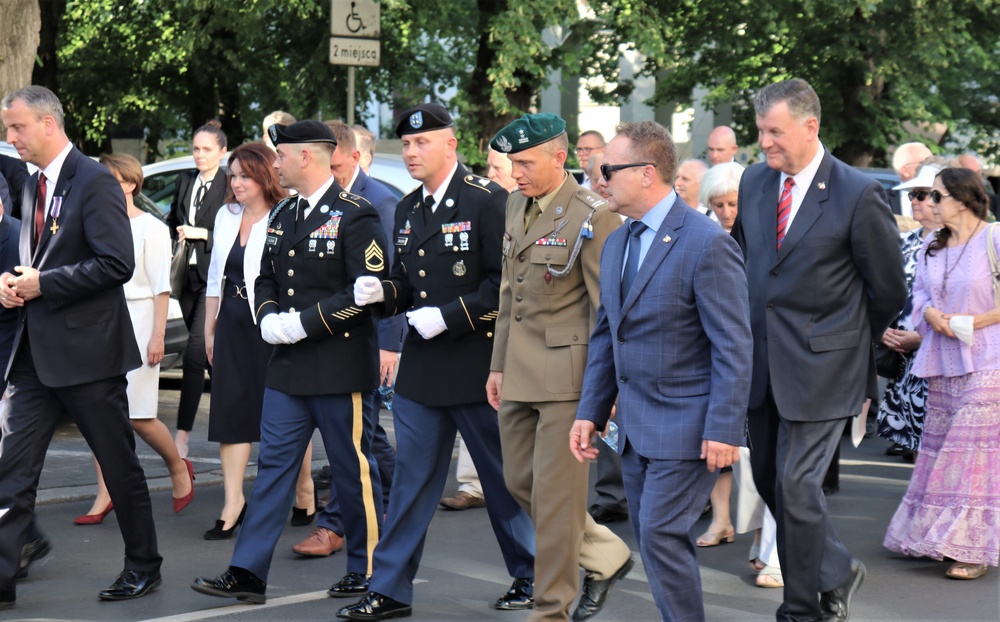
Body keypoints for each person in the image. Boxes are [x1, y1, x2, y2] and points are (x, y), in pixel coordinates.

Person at [340, 103, 535, 621]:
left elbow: (504, 286)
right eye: (404, 144)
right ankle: (390, 589)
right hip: (423, 370)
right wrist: (382, 291)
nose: (410, 152)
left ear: (451, 145)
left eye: (421, 143)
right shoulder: (408, 209)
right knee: (410, 484)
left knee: (502, 480)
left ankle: (532, 573)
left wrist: (449, 316)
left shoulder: (488, 201)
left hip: (477, 366)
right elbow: (407, 283)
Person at [731, 78, 907, 622]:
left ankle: (801, 609)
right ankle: (836, 571)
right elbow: (742, 261)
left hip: (826, 370)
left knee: (796, 486)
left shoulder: (857, 192)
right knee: (768, 481)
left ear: (811, 127)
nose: (764, 143)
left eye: (774, 131)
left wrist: (848, 341)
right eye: (760, 131)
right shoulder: (758, 181)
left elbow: (889, 290)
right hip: (762, 366)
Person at [191, 120, 387, 604]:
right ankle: (247, 570)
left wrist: (303, 322)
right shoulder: (283, 216)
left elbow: (364, 293)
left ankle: (368, 571)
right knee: (275, 465)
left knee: (350, 469)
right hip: (287, 366)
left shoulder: (354, 214)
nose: (274, 163)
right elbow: (264, 276)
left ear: (307, 157)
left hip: (338, 364)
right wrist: (269, 315)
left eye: (281, 155)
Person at [569, 120, 751, 621]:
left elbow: (733, 345)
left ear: (647, 173)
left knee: (660, 535)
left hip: (688, 428)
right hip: (635, 430)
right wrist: (590, 410)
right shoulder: (617, 242)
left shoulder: (705, 243)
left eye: (609, 168)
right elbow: (609, 334)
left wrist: (723, 428)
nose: (599, 178)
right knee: (658, 539)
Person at [0, 85, 162, 609]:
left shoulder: (93, 179)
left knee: (118, 464)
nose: (11, 137)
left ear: (49, 124)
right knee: (12, 469)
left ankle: (144, 565)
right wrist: (11, 282)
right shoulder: (27, 183)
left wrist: (44, 284)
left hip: (88, 355)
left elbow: (117, 263)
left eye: (18, 127)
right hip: (32, 354)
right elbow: (32, 255)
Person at [485, 112, 630, 622]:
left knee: (553, 500)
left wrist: (603, 393)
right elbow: (509, 292)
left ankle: (550, 610)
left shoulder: (593, 215)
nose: (515, 172)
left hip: (569, 380)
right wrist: (497, 365)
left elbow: (606, 312)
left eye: (525, 162)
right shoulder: (513, 204)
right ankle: (606, 554)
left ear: (560, 158)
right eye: (512, 163)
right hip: (519, 372)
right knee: (520, 484)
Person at [884, 167, 1000, 580]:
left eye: (935, 196)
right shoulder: (933, 243)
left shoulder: (995, 237)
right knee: (941, 448)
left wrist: (973, 320)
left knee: (970, 455)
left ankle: (971, 549)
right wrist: (931, 314)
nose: (928, 204)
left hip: (989, 359)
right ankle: (935, 535)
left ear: (964, 199)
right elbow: (920, 294)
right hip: (943, 359)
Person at [291, 120, 400, 556]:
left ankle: (337, 526)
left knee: (357, 441)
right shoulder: (315, 200)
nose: (329, 175)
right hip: (331, 342)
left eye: (335, 166)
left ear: (355, 157)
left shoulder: (379, 202)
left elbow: (389, 279)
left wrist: (389, 345)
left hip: (368, 341)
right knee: (366, 439)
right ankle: (390, 502)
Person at [72, 154, 195, 526]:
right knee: (99, 412)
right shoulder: (92, 224)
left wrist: (158, 335)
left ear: (129, 183)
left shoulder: (152, 229)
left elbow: (161, 289)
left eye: (108, 179)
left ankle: (178, 466)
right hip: (99, 320)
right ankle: (105, 492)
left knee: (139, 415)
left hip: (140, 320)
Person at [201, 143, 285, 539]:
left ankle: (302, 492)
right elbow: (216, 272)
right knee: (231, 413)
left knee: (280, 414)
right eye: (232, 175)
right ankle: (233, 502)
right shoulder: (225, 215)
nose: (235, 183)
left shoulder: (286, 215)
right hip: (232, 323)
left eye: (244, 176)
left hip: (272, 326)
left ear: (265, 176)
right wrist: (209, 326)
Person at [440, 145, 520, 513]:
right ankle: (474, 484)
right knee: (484, 407)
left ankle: (514, 488)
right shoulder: (489, 203)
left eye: (499, 166)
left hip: (523, 332)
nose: (493, 172)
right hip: (485, 328)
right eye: (490, 165)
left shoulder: (509, 204)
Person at [167, 120, 229, 459]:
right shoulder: (185, 180)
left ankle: (183, 434)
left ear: (222, 152)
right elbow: (171, 221)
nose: (199, 155)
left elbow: (237, 231)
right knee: (210, 359)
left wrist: (202, 234)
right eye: (195, 149)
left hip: (214, 280)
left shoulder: (228, 185)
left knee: (193, 354)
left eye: (206, 150)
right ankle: (235, 421)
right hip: (186, 277)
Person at [877, 162, 944, 460]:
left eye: (920, 194)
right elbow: (880, 291)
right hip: (905, 364)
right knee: (918, 450)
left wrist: (921, 338)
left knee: (942, 453)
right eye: (913, 194)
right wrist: (882, 329)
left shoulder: (963, 245)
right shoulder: (904, 241)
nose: (913, 200)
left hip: (943, 360)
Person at [891, 142, 933, 216]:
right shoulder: (881, 199)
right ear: (905, 170)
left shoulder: (939, 198)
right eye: (925, 163)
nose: (931, 168)